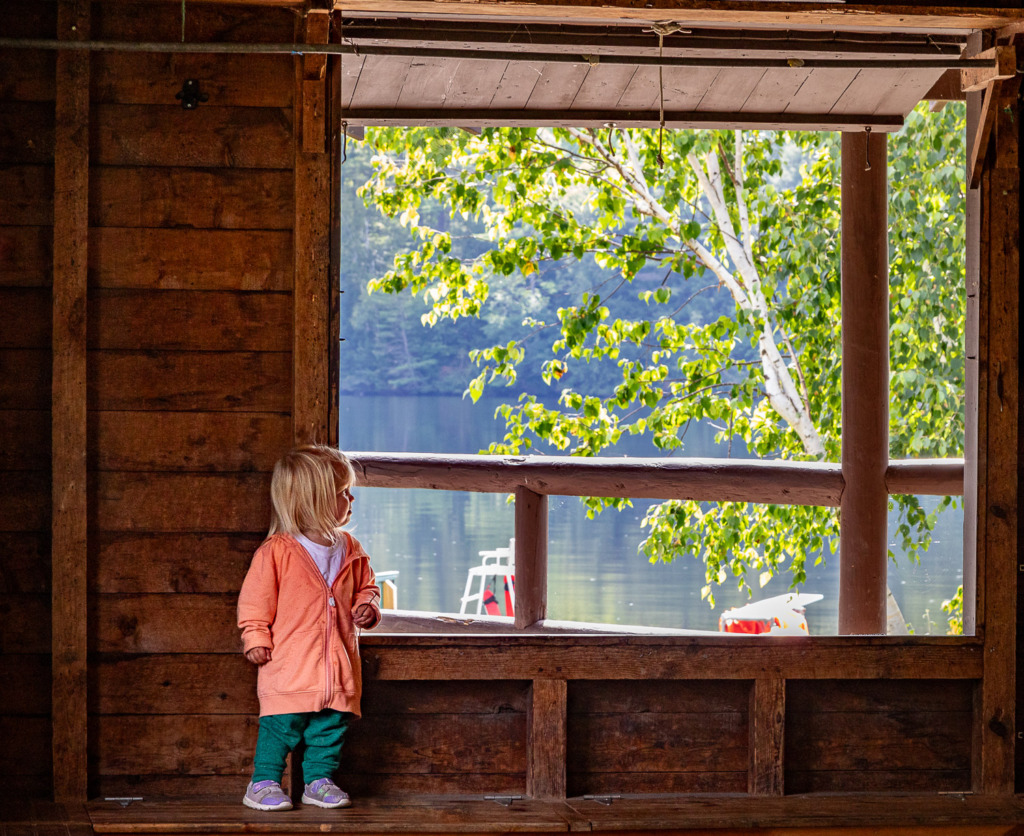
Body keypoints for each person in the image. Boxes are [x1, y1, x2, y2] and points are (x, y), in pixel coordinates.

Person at [238, 445, 381, 811]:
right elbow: (254, 602)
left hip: (338, 667)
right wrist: (255, 636)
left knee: (330, 728)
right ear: (313, 500)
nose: (351, 499)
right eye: (342, 494)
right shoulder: (277, 552)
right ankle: (264, 782)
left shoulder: (350, 548)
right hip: (289, 665)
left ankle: (318, 781)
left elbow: (368, 586)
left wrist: (367, 606)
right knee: (280, 726)